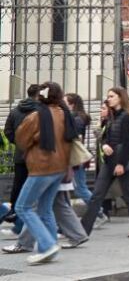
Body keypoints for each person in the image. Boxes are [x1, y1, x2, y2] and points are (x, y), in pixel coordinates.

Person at [11, 82, 75, 265]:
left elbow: (21, 139)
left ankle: (47, 245)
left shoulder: (37, 116)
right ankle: (51, 245)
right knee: (45, 208)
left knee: (22, 207)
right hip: (59, 167)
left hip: (41, 167)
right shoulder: (64, 113)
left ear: (41, 96)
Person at [80, 87, 129, 237]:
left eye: (111, 96)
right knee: (97, 194)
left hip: (123, 162)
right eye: (108, 96)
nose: (108, 98)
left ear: (120, 98)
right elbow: (105, 136)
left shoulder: (126, 117)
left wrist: (121, 164)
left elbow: (128, 143)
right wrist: (104, 144)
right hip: (109, 162)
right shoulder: (112, 117)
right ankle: (82, 231)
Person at [4, 84, 40, 235]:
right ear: (38, 95)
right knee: (34, 190)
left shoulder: (15, 110)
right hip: (36, 156)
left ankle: (16, 217)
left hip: (20, 155)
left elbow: (7, 131)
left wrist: (18, 143)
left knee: (18, 188)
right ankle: (24, 223)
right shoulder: (40, 111)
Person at [64, 93, 92, 203]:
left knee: (80, 189)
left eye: (65, 102)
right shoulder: (75, 118)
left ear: (72, 105)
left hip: (76, 157)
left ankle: (98, 211)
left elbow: (78, 138)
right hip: (75, 157)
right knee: (77, 188)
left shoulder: (77, 119)